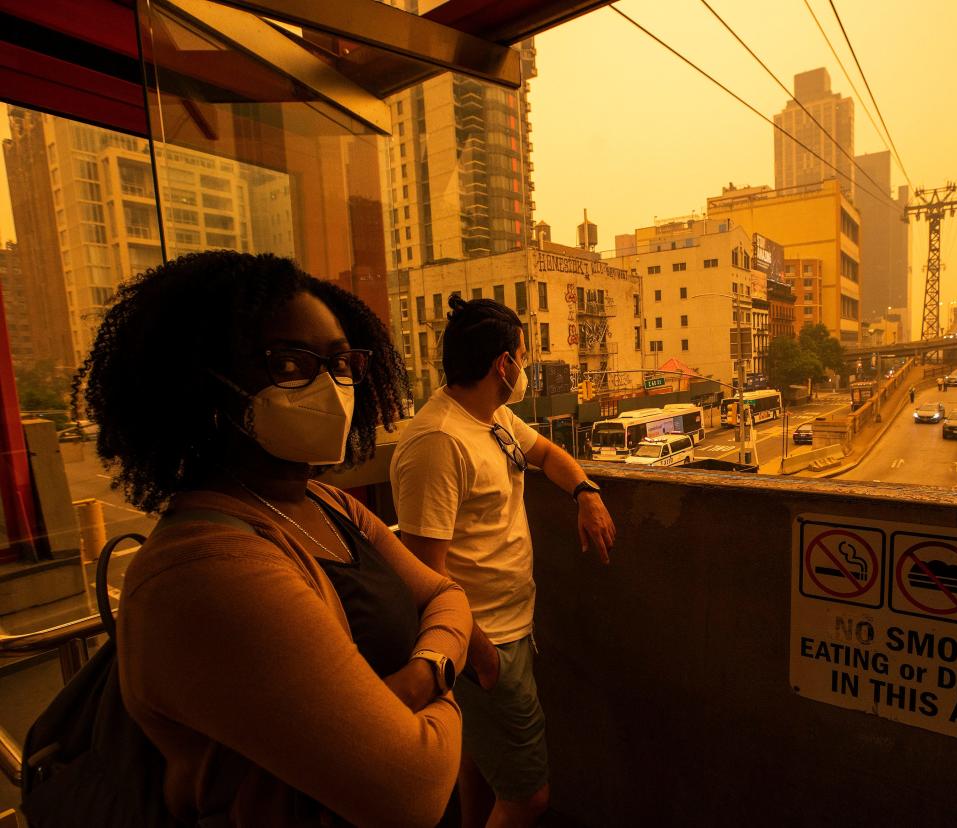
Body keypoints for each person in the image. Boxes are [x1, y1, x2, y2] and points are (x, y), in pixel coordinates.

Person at [80, 251, 471, 826]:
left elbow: (446, 594)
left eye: (342, 364)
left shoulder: (323, 502)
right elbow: (413, 788)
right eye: (290, 364)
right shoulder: (204, 571)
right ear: (204, 382)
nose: (331, 387)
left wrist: (424, 674)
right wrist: (452, 672)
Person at [390, 296, 617, 828]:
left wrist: (586, 492)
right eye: (522, 355)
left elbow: (545, 455)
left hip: (509, 631)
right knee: (526, 798)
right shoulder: (438, 442)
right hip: (482, 642)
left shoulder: (492, 418)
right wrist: (484, 656)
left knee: (478, 767)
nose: (526, 366)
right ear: (503, 365)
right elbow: (425, 573)